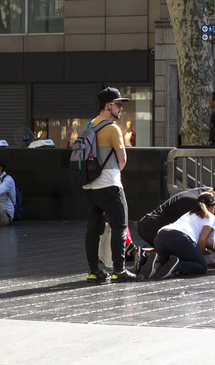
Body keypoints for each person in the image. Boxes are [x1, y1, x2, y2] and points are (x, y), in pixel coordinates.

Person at [82, 87, 138, 283]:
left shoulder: (89, 125)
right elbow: (122, 159)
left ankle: (93, 271)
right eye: (118, 104)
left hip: (89, 187)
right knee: (119, 226)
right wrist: (113, 174)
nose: (121, 109)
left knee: (93, 229)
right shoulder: (112, 128)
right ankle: (119, 270)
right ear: (108, 106)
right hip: (110, 185)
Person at [139, 191, 215, 280]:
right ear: (212, 207)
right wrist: (201, 252)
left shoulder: (189, 213)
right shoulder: (211, 217)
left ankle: (156, 263)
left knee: (166, 263)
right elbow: (202, 240)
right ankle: (177, 265)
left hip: (160, 236)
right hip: (181, 238)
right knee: (201, 266)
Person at [136, 181, 215, 248]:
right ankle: (148, 255)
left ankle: (145, 251)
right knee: (185, 250)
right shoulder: (199, 203)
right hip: (152, 225)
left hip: (162, 229)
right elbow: (201, 240)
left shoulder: (213, 200)